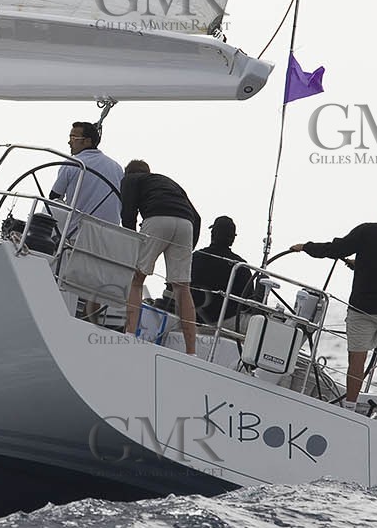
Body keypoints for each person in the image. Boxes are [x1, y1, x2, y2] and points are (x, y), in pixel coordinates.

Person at [287, 191, 377, 412]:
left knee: (357, 360)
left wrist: (306, 247)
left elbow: (334, 249)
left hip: (361, 307)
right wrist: (360, 264)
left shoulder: (367, 231)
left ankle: (349, 408)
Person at [119, 159, 201, 354]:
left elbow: (128, 212)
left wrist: (132, 240)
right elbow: (197, 217)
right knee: (182, 288)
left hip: (157, 218)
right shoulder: (168, 182)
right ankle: (191, 351)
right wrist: (189, 248)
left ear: (128, 173)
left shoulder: (130, 179)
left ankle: (129, 334)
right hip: (186, 224)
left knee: (137, 279)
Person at [50, 122, 123, 225]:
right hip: (110, 232)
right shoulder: (117, 168)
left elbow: (54, 197)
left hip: (77, 230)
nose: (69, 142)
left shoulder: (71, 164)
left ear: (88, 141)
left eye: (73, 138)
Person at [190, 215, 257, 325]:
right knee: (257, 322)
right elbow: (247, 304)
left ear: (212, 234)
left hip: (193, 317)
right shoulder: (240, 266)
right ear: (233, 239)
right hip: (225, 321)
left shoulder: (195, 257)